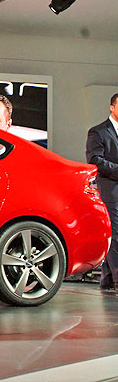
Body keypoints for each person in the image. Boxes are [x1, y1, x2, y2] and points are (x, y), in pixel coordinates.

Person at [86, 93, 118, 291]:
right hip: (110, 189)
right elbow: (95, 160)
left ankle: (106, 278)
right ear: (112, 108)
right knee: (115, 233)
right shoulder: (98, 132)